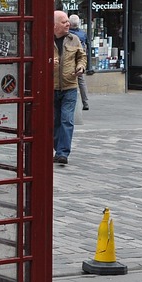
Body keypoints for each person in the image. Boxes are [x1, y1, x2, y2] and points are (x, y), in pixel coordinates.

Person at [53, 10, 87, 166]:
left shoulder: (74, 39)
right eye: (64, 22)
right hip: (51, 87)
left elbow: (82, 57)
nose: (68, 24)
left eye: (68, 21)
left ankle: (62, 153)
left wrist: (81, 67)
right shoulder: (46, 40)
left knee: (67, 120)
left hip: (70, 86)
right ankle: (57, 148)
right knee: (54, 122)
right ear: (54, 25)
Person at [69, 14, 91, 110]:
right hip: (80, 60)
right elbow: (87, 44)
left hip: (69, 60)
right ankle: (85, 103)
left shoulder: (68, 34)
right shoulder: (83, 34)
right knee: (81, 81)